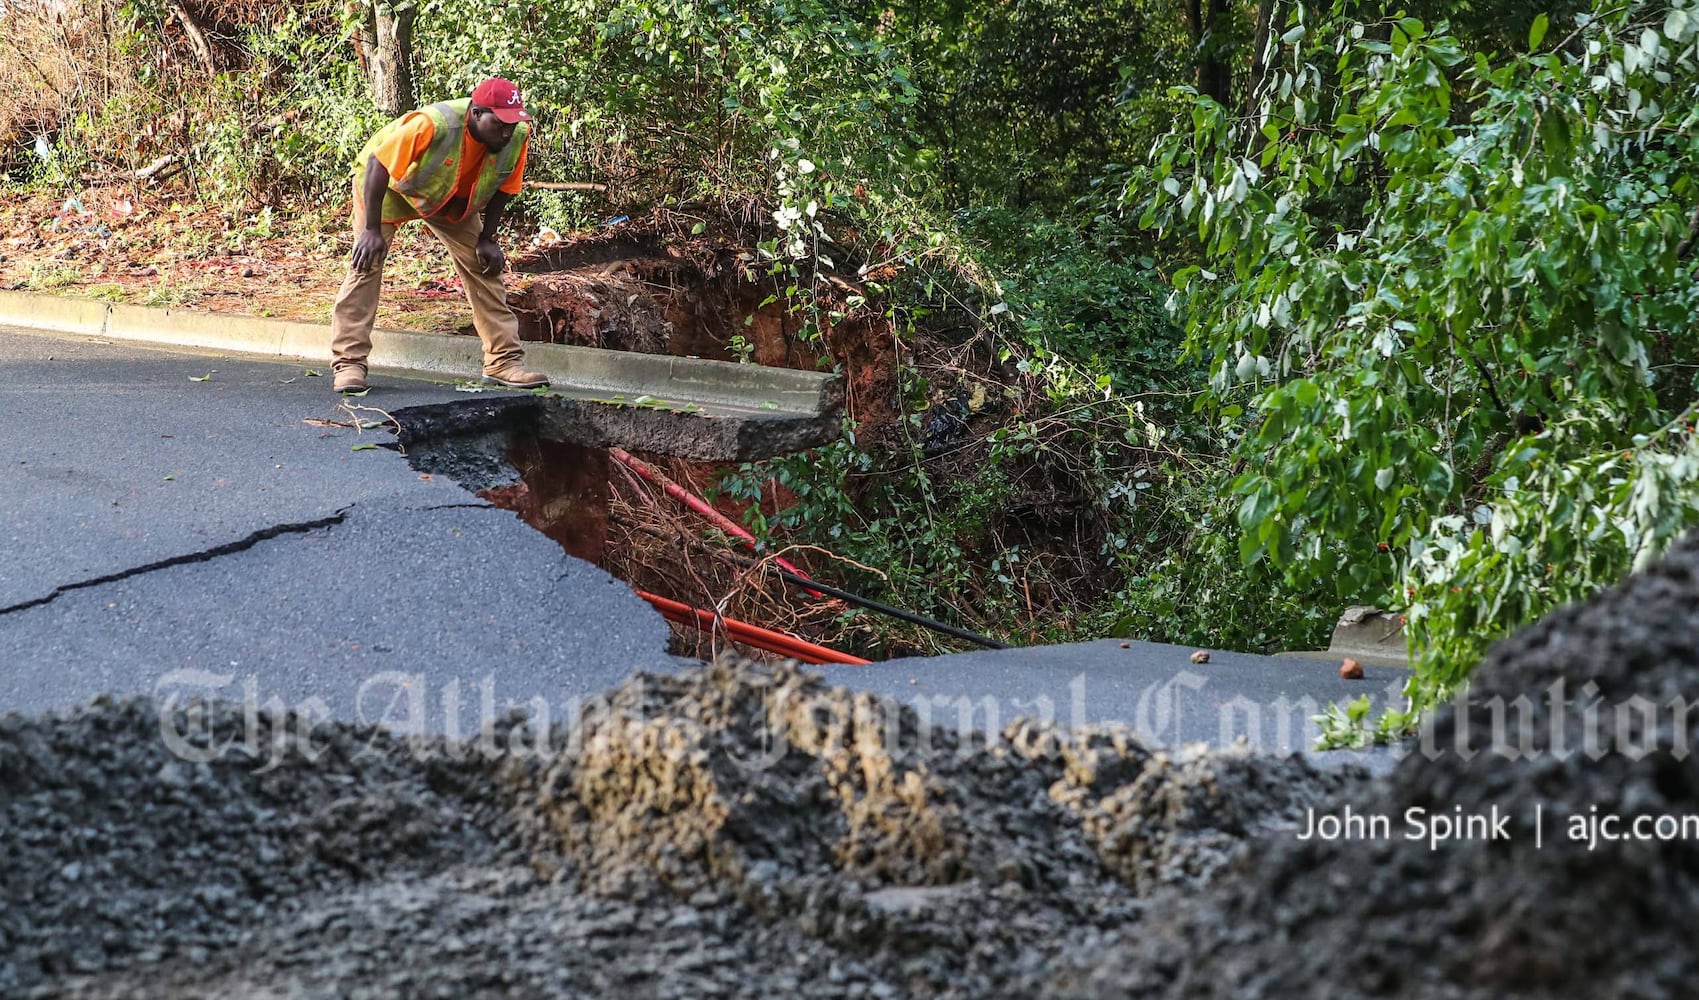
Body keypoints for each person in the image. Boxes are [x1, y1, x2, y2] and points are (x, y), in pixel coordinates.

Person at [329, 77, 549, 394]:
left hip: (447, 200)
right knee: (367, 264)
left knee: (482, 265)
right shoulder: (433, 124)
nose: (506, 131)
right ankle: (349, 363)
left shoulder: (516, 136)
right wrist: (372, 230)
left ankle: (503, 362)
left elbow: (504, 188)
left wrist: (488, 238)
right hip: (388, 188)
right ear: (476, 114)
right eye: (500, 123)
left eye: (512, 123)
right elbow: (379, 163)